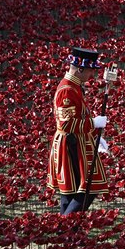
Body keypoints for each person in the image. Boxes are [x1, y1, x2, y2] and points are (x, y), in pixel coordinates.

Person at [47, 47, 109, 215]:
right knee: (86, 188)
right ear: (80, 69)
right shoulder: (67, 89)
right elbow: (66, 124)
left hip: (77, 142)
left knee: (71, 190)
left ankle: (65, 233)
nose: (92, 76)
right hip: (71, 144)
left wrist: (96, 137)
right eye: (90, 71)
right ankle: (67, 228)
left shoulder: (74, 85)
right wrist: (93, 123)